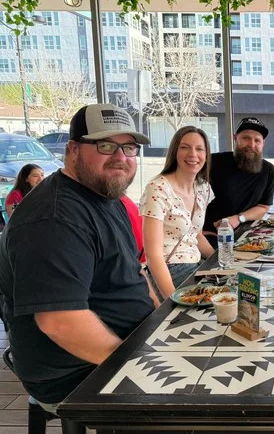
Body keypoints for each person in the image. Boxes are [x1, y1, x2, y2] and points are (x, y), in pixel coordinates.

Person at [0, 103, 155, 412]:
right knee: (208, 408)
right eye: (105, 145)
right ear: (72, 150)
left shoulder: (107, 196)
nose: (120, 157)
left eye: (129, 148)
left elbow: (135, 272)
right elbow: (60, 322)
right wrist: (141, 363)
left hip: (126, 343)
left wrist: (160, 318)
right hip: (75, 372)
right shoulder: (54, 217)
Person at [140, 126, 215, 299]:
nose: (193, 154)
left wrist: (218, 260)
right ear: (175, 152)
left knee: (238, 287)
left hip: (197, 265)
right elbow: (153, 255)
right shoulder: (158, 189)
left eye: (199, 149)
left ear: (206, 155)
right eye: (185, 147)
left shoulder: (203, 188)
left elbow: (195, 234)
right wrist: (172, 300)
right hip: (169, 269)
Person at [203, 117, 274, 246]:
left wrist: (238, 218)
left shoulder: (268, 170)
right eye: (246, 138)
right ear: (235, 138)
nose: (251, 145)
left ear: (263, 143)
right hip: (213, 235)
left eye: (257, 140)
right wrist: (196, 231)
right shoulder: (212, 162)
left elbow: (263, 207)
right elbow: (187, 195)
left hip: (249, 236)